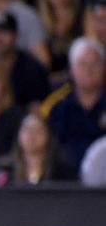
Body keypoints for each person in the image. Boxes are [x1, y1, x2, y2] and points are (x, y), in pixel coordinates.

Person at [42, 37, 106, 168]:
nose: (89, 70)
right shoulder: (58, 107)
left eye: (95, 63)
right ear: (72, 70)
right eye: (82, 64)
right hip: (66, 180)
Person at [11, 111, 76, 185]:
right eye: (27, 129)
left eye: (38, 130)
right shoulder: (7, 169)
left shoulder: (63, 171)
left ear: (48, 135)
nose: (32, 135)